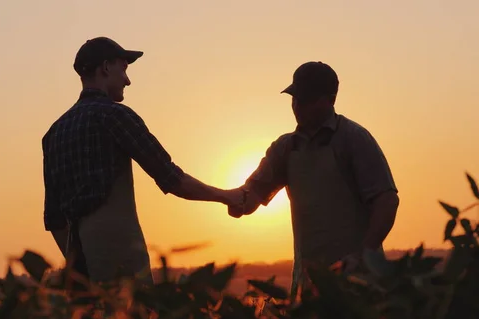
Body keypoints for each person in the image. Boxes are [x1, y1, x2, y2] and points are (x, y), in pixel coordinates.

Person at [42, 37, 244, 287]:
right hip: (121, 259)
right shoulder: (115, 116)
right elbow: (172, 178)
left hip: (78, 269)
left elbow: (54, 218)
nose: (127, 80)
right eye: (123, 69)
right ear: (105, 68)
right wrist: (226, 196)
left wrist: (79, 265)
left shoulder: (54, 133)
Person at [228, 61, 399, 299]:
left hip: (359, 285)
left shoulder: (354, 139)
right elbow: (250, 196)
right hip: (307, 289)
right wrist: (229, 200)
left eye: (305, 100)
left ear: (330, 100)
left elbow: (386, 201)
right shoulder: (285, 148)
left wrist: (362, 255)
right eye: (294, 98)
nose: (297, 106)